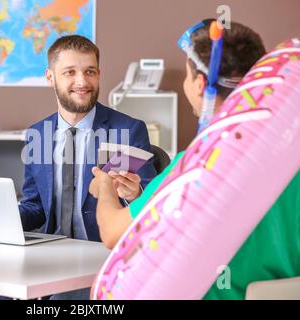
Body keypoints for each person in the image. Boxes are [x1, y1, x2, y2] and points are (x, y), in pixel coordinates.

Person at [90, 19, 299, 299]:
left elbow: (112, 233)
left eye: (186, 77)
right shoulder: (293, 164)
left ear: (200, 85)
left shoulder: (193, 168)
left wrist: (104, 186)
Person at [0, 35, 157, 300]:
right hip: (47, 258)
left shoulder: (126, 129)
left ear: (99, 74)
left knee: (61, 298)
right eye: (70, 72)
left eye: (90, 71)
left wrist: (134, 195)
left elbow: (153, 205)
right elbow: (35, 207)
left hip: (100, 258)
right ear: (50, 77)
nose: (82, 82)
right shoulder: (38, 133)